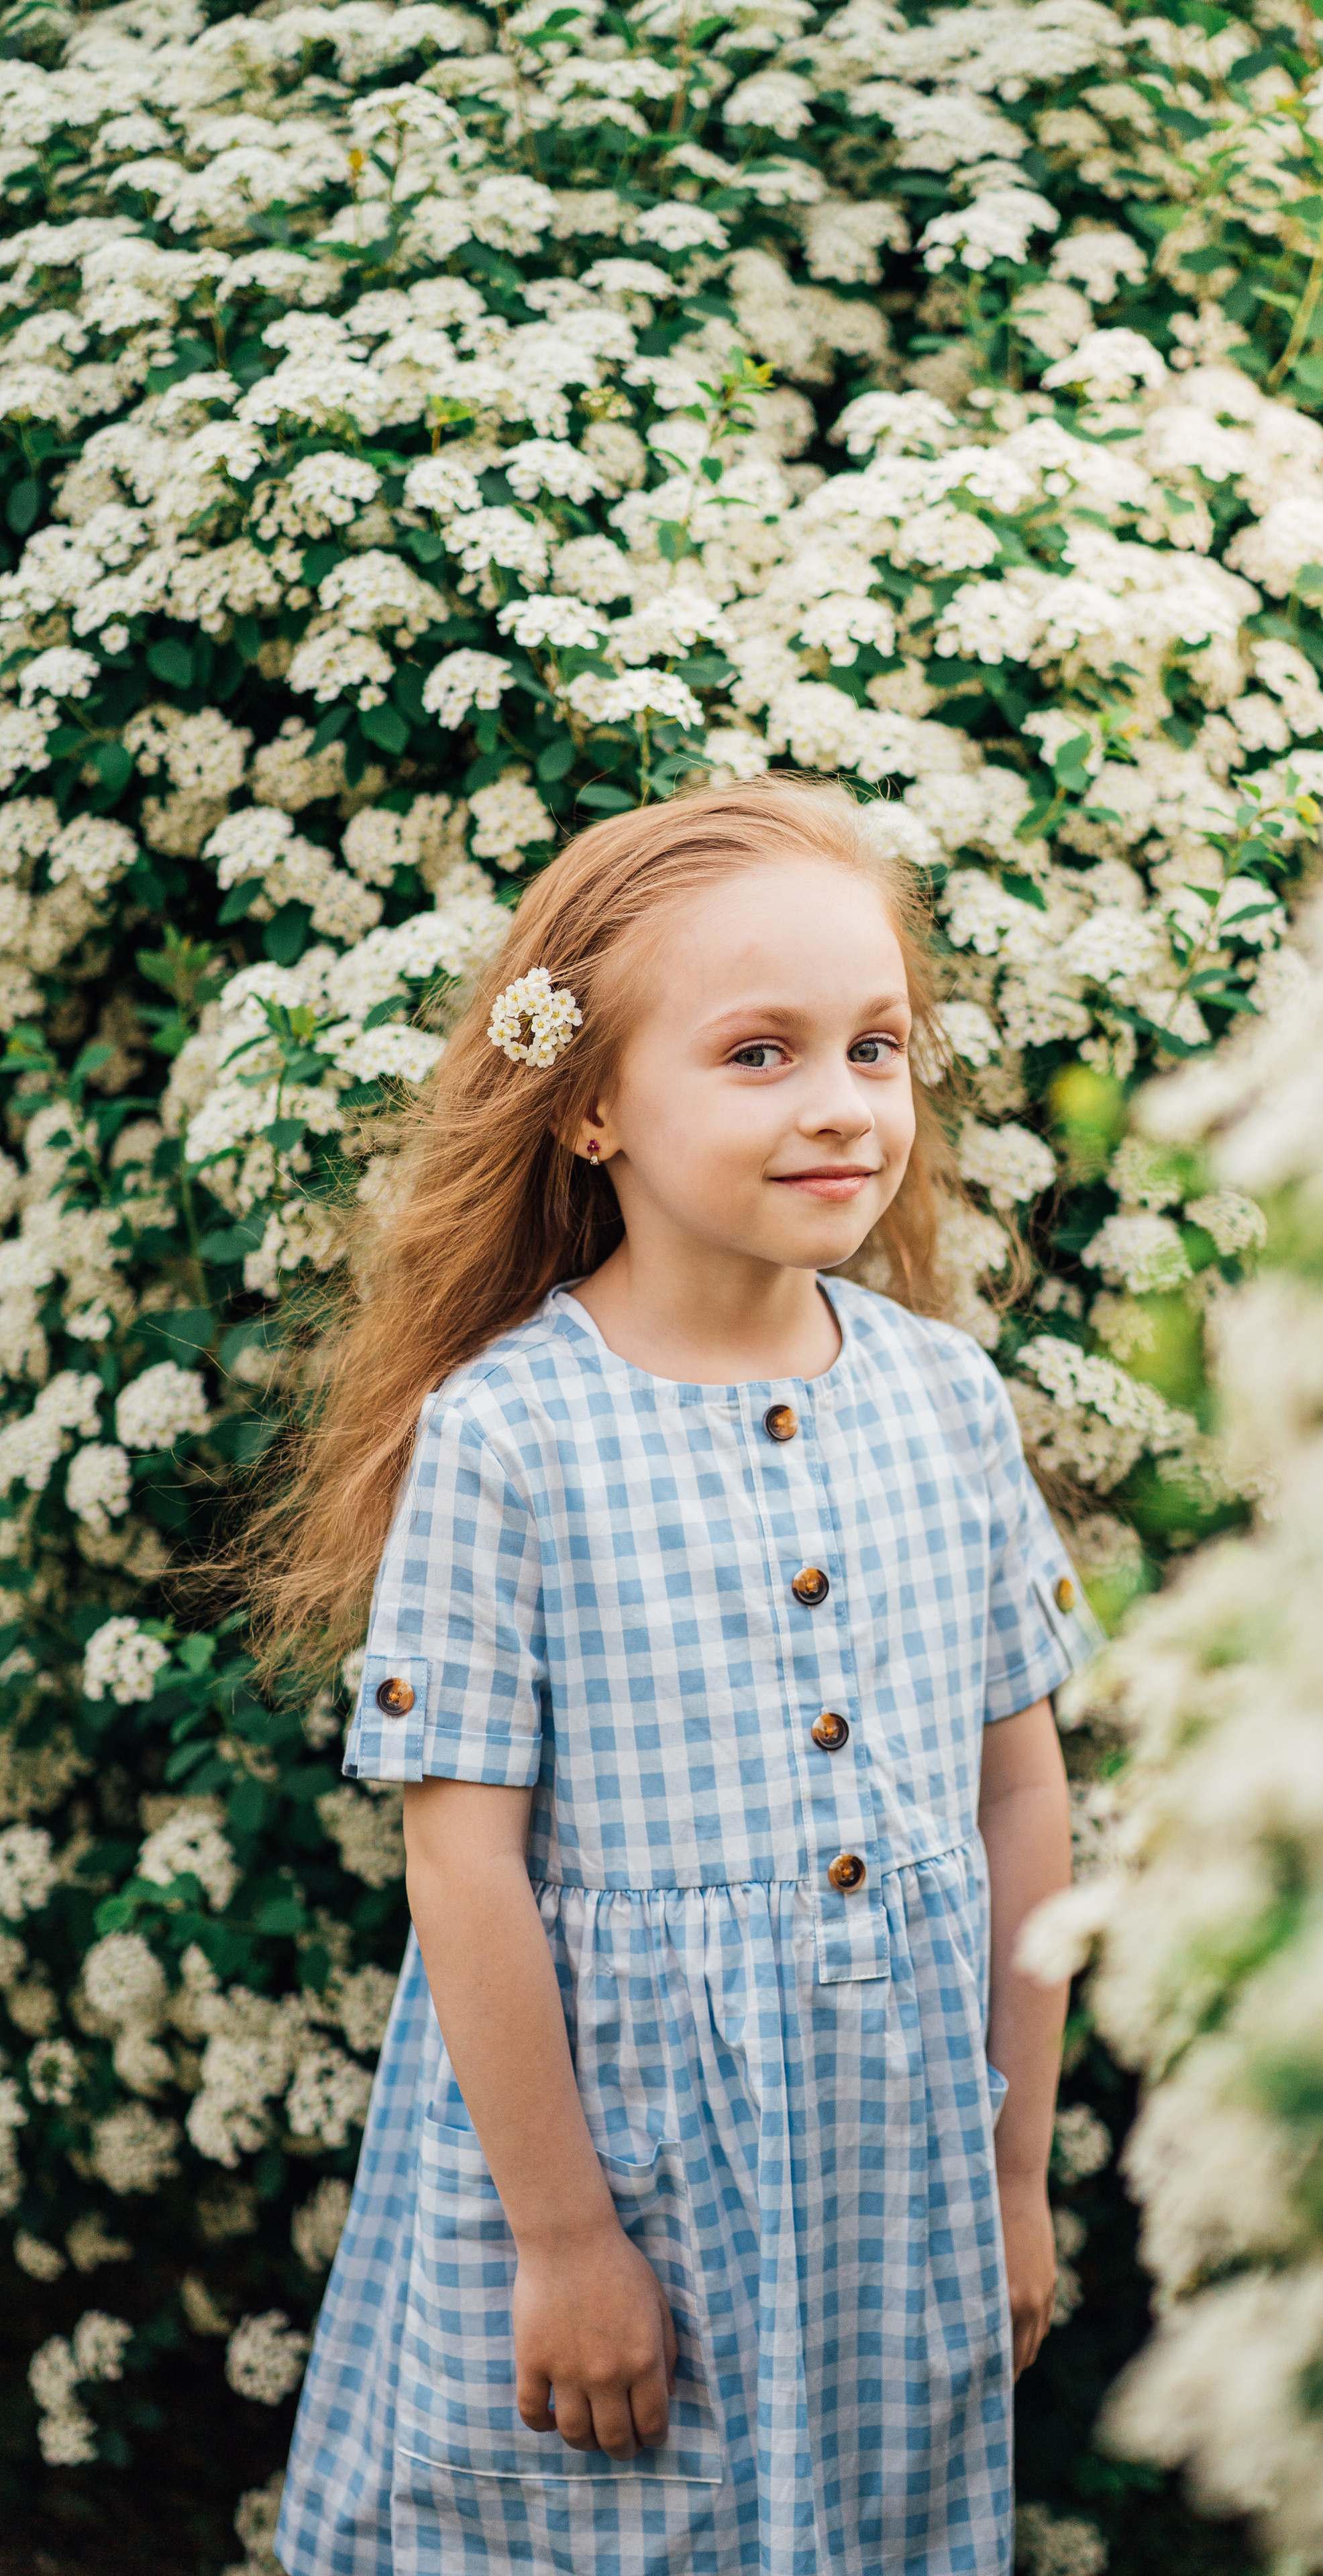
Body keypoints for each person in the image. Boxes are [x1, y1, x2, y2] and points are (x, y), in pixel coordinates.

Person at [264, 776, 1103, 2576]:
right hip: (620, 2171)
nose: (839, 1105)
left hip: (894, 2173)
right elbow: (463, 1859)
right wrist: (565, 2240)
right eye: (758, 1054)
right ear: (587, 1106)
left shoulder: (944, 1403)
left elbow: (1020, 1792)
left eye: (875, 1048)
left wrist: (1013, 2174)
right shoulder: (512, 1437)